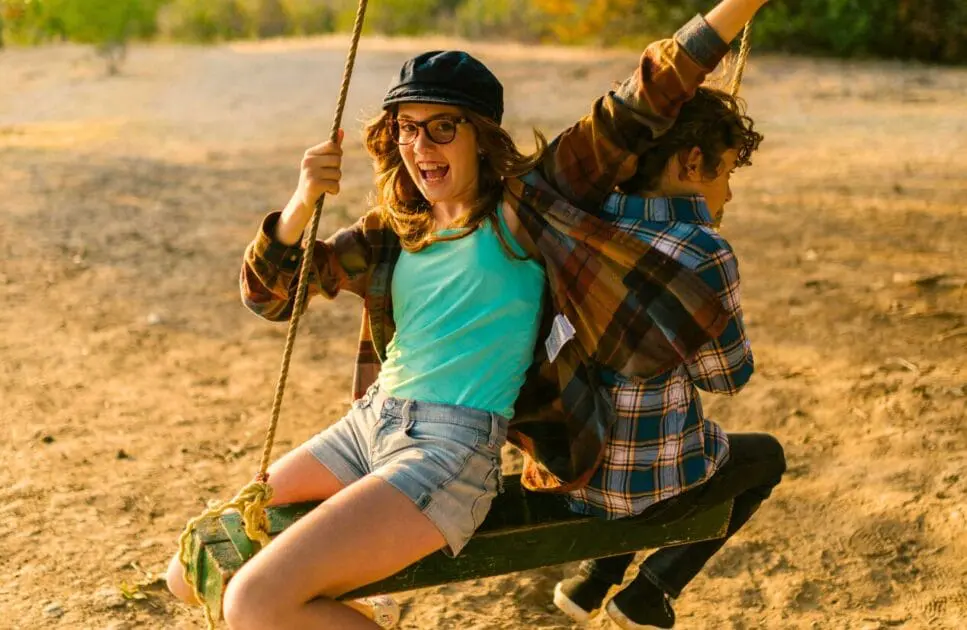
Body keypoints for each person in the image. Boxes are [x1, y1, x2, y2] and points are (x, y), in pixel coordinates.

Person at [165, 0, 771, 627]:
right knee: (190, 572)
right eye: (406, 128)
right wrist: (300, 203)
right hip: (367, 426)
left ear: (481, 136)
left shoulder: (525, 205)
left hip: (447, 452)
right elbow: (271, 298)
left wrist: (738, 9)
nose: (419, 145)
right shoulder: (393, 231)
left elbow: (645, 96)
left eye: (442, 127)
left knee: (254, 601)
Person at [551, 87, 786, 629]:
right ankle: (650, 592)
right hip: (638, 488)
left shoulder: (585, 225)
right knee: (763, 459)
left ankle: (594, 580)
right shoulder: (702, 250)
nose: (729, 192)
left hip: (567, 470)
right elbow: (726, 377)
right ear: (693, 162)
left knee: (648, 433)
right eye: (727, 172)